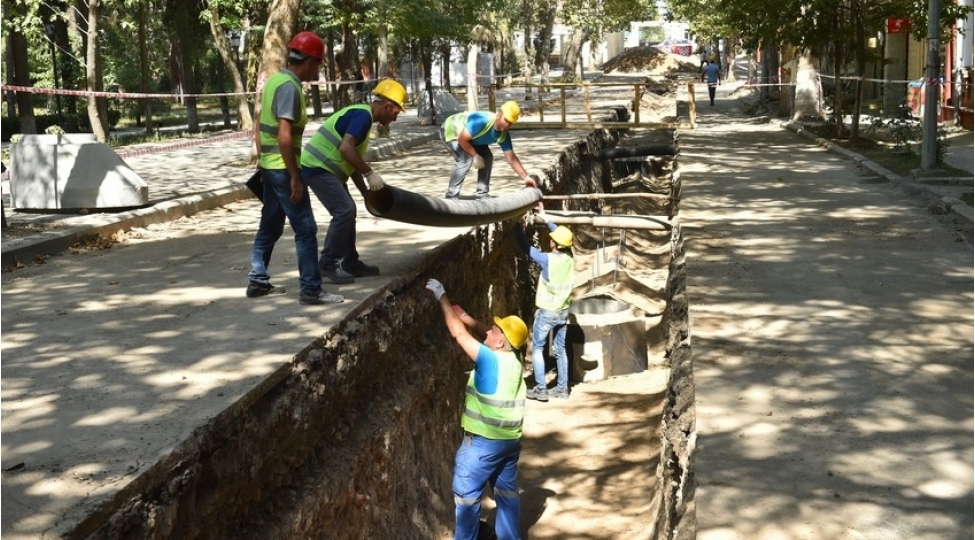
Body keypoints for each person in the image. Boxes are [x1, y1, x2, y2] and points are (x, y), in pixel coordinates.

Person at [424, 277, 528, 540]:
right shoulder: (514, 359)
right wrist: (467, 317)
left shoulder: (490, 360)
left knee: (467, 501)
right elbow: (484, 333)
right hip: (509, 445)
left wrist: (442, 296)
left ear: (500, 342)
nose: (489, 331)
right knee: (506, 495)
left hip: (481, 448)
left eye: (495, 330)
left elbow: (458, 335)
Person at [246, 31, 344, 306]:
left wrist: (264, 163)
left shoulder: (274, 81)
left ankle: (258, 281)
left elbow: (258, 129)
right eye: (318, 65)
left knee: (270, 225)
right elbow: (284, 134)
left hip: (270, 167)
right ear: (311, 61)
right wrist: (294, 177)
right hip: (282, 169)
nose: (317, 71)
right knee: (306, 229)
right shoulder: (289, 87)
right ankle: (311, 289)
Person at [300, 79, 407, 284]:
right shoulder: (362, 116)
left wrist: (366, 192)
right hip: (318, 166)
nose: (395, 118)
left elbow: (352, 161)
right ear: (387, 106)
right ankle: (328, 263)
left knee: (349, 211)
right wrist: (370, 173)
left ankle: (350, 262)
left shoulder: (363, 118)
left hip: (327, 168)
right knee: (345, 210)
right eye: (396, 113)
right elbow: (346, 149)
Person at [515, 209, 575, 402]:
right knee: (560, 350)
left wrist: (515, 227)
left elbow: (527, 248)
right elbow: (559, 233)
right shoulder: (569, 256)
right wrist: (545, 216)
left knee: (539, 348)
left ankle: (541, 389)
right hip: (563, 312)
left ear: (553, 243)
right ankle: (562, 388)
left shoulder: (547, 259)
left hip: (547, 312)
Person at [440, 101, 531, 200]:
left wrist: (526, 178)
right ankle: (451, 197)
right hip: (451, 131)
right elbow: (462, 139)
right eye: (506, 120)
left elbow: (511, 157)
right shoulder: (482, 121)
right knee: (465, 160)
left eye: (511, 123)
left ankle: (482, 194)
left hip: (470, 139)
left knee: (487, 157)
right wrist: (475, 155)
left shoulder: (503, 135)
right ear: (499, 114)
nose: (507, 125)